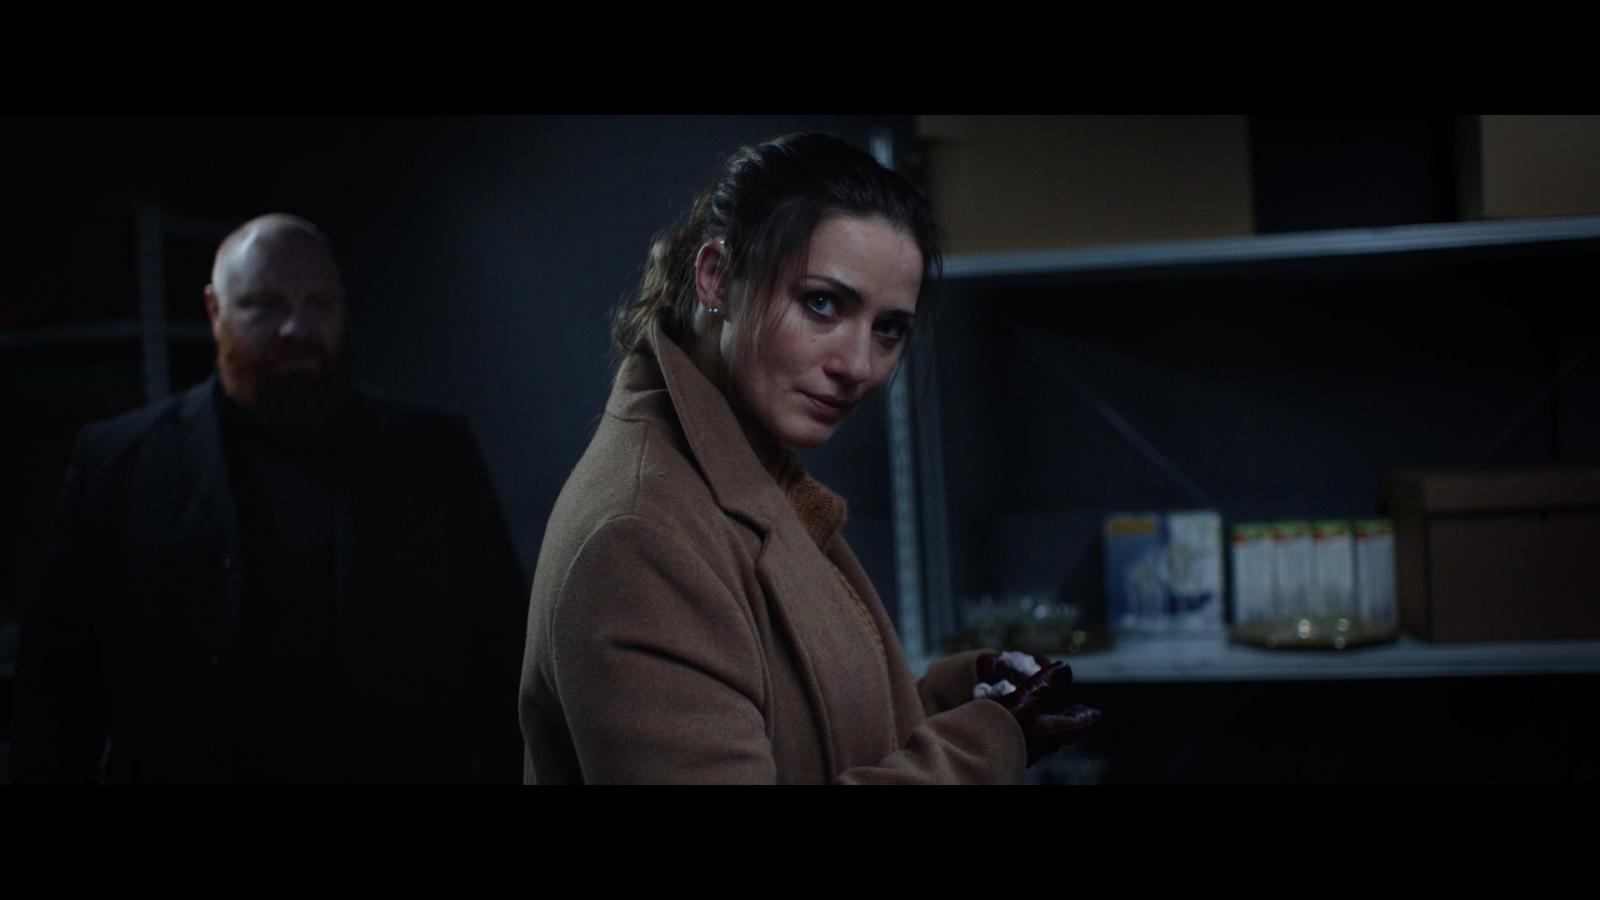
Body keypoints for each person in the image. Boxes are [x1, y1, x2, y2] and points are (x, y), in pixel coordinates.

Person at [519, 133, 1099, 783]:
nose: (859, 366)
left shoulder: (744, 472)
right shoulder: (641, 538)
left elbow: (796, 726)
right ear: (717, 278)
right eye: (822, 303)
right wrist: (976, 752)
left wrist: (962, 700)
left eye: (889, 329)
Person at [13, 213, 528, 784]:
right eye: (266, 304)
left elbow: (504, 661)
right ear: (215, 311)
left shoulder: (433, 453)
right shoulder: (119, 465)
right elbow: (56, 693)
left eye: (319, 303)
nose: (296, 328)